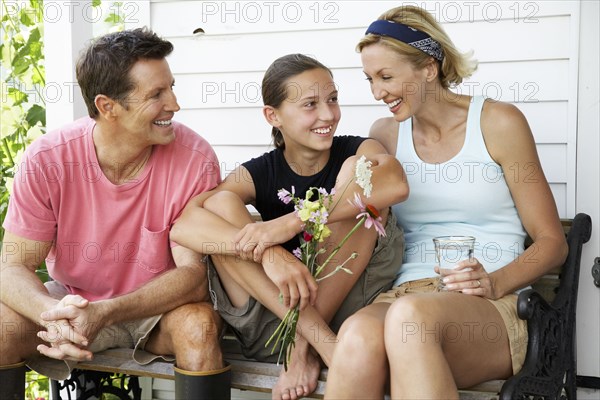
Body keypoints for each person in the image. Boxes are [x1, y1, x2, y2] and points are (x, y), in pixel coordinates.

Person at [324, 5, 568, 399]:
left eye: (386, 76)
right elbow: (357, 211)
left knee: (410, 321)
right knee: (354, 335)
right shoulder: (386, 134)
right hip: (406, 295)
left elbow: (553, 243)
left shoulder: (498, 123)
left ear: (429, 67)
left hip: (490, 304)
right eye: (369, 79)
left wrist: (493, 282)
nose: (377, 92)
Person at [0, 28, 230, 399]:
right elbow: (12, 267)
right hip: (72, 303)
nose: (174, 104)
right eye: (157, 94)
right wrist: (52, 314)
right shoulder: (48, 159)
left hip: (157, 311)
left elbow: (193, 277)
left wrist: (106, 311)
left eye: (170, 87)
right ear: (108, 106)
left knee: (199, 328)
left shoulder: (195, 159)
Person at [170, 53, 408, 400]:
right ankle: (312, 341)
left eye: (333, 99)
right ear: (273, 115)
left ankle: (304, 345)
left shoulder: (355, 150)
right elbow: (185, 227)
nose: (328, 114)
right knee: (220, 205)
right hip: (273, 326)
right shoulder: (259, 171)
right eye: (310, 104)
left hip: (344, 315)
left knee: (358, 181)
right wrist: (270, 254)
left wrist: (292, 222)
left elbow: (396, 185)